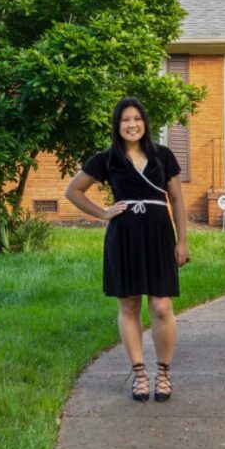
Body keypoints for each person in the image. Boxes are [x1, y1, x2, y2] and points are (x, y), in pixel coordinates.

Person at [65, 97, 190, 401]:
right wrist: (104, 213)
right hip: (124, 235)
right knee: (129, 305)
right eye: (125, 120)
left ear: (145, 123)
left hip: (159, 233)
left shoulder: (163, 155)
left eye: (137, 118)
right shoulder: (107, 158)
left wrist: (182, 240)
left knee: (161, 306)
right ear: (117, 125)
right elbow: (73, 191)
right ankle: (139, 375)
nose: (131, 124)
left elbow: (176, 200)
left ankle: (162, 373)